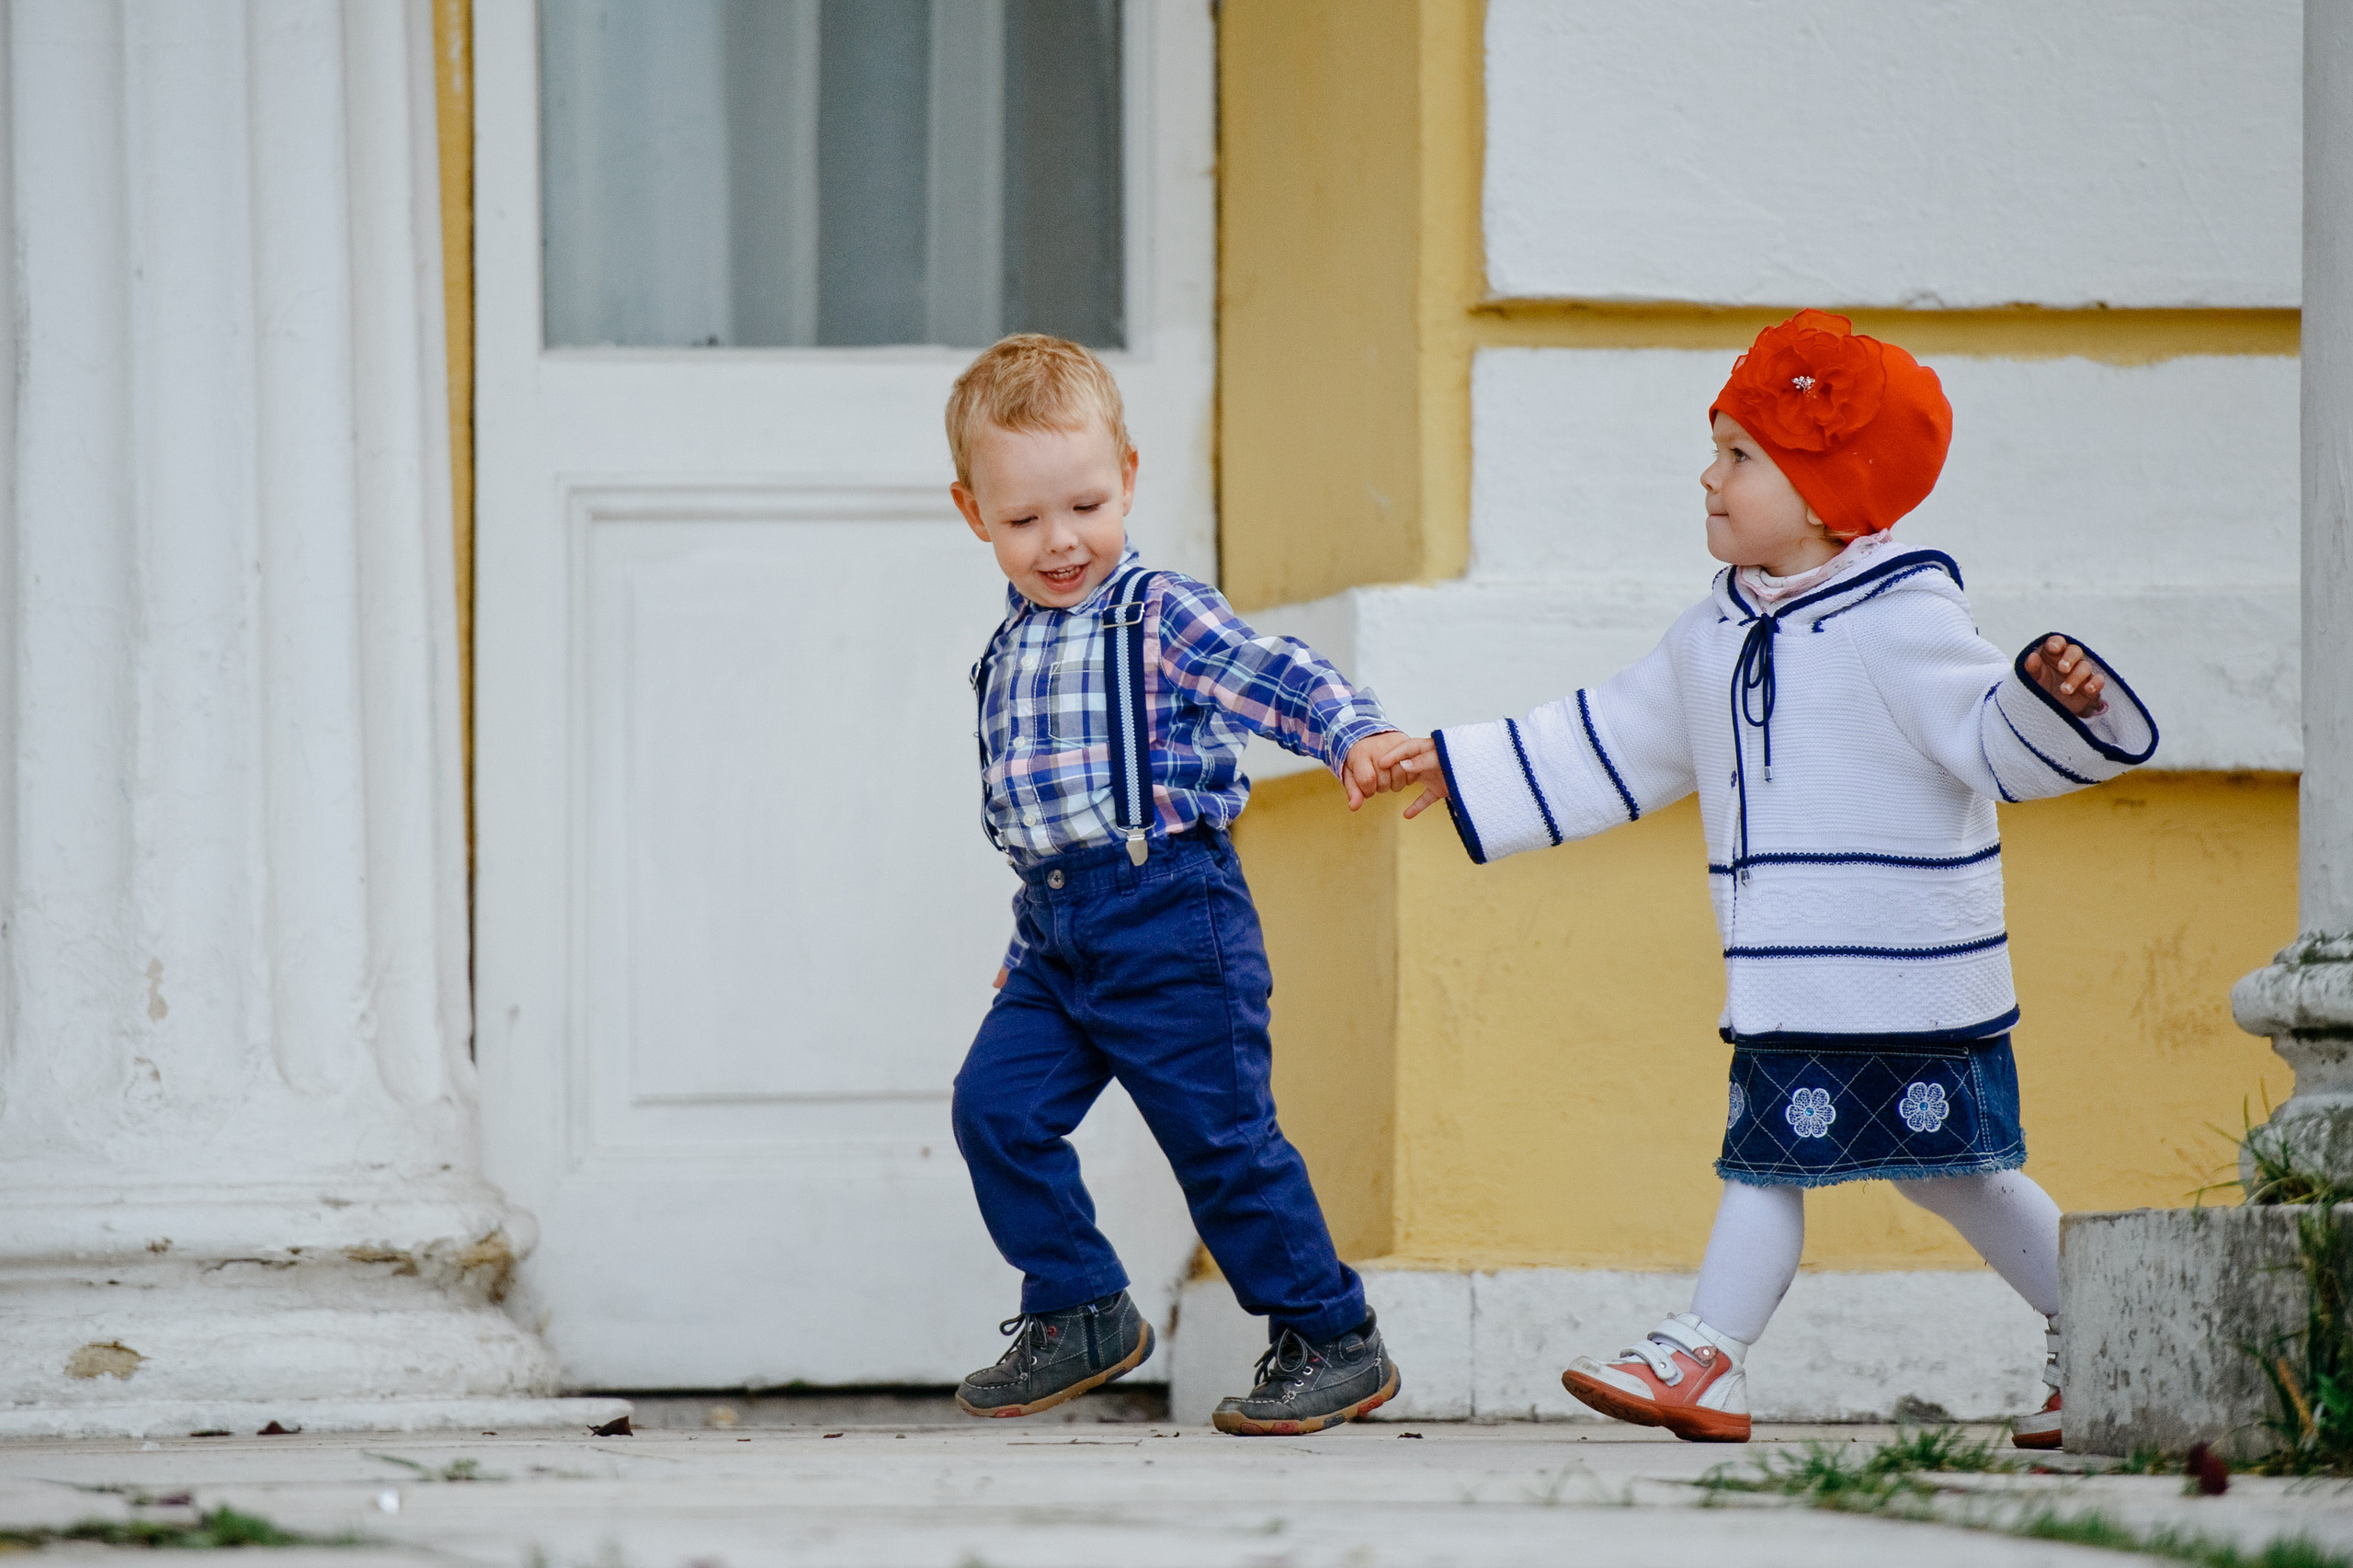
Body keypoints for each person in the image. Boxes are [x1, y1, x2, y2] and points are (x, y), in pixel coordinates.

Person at [1365, 310, 2157, 1449]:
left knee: (1904, 1167)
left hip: (1908, 971)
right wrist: (1465, 762)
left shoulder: (1904, 621)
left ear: (1829, 494)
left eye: (1740, 454)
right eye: (1718, 447)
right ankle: (2098, 1332)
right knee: (1918, 1169)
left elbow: (1990, 742)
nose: (1709, 474)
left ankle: (1712, 1352)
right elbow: (1613, 734)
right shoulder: (1715, 634)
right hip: (1793, 976)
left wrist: (2050, 701)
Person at [944, 334, 1404, 1436]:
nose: (1062, 540)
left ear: (1129, 478)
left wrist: (1350, 731)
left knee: (1221, 1138)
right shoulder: (1007, 648)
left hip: (1172, 914)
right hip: (1056, 935)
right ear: (974, 514)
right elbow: (1040, 818)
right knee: (995, 1108)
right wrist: (1027, 938)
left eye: (1085, 505)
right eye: (1024, 519)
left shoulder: (1159, 612)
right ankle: (1078, 1303)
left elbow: (1269, 670)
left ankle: (1331, 1333)